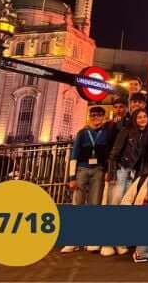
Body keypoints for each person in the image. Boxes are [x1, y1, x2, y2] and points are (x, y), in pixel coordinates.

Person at [100, 108, 148, 257]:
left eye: (145, 117)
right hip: (120, 170)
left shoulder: (147, 135)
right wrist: (111, 172)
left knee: (125, 206)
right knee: (114, 204)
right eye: (139, 117)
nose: (142, 119)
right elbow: (114, 152)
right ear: (135, 119)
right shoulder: (126, 131)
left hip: (133, 174)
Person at [61, 106, 110, 253]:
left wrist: (108, 171)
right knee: (77, 203)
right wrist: (71, 177)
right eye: (93, 115)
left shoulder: (106, 133)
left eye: (99, 116)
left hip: (99, 170)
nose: (96, 118)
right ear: (89, 117)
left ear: (103, 117)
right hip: (82, 169)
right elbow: (74, 155)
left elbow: (108, 154)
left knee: (95, 204)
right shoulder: (82, 133)